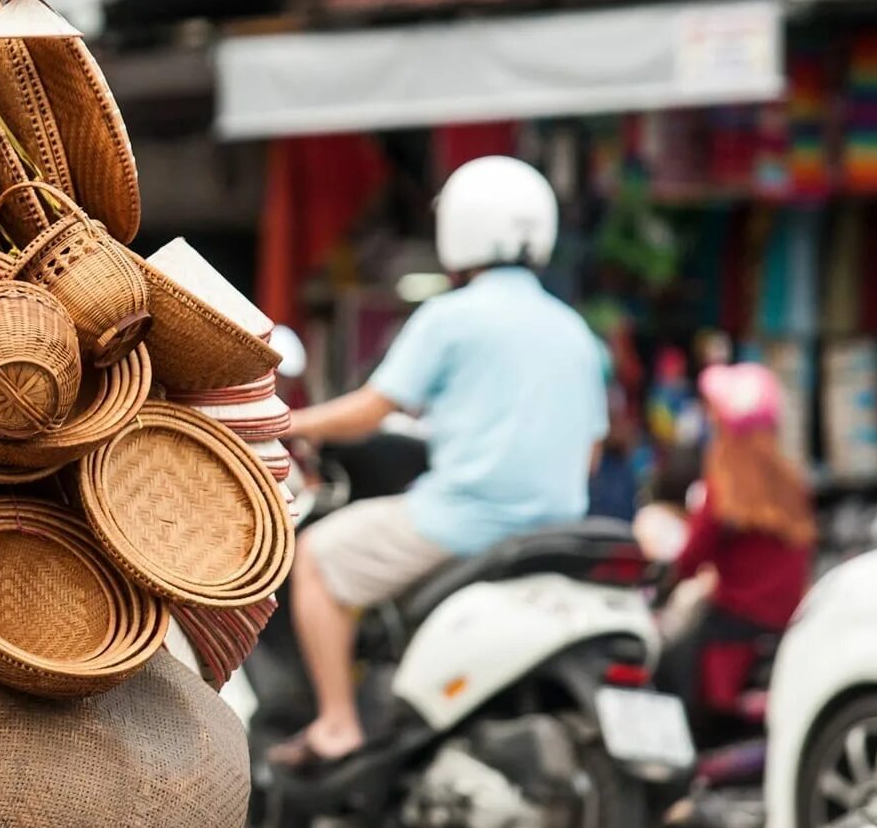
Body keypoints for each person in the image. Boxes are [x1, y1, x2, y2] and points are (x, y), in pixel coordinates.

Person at [275, 156, 609, 767]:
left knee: (315, 558)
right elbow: (589, 454)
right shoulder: (575, 332)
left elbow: (369, 413)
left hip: (465, 521)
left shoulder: (450, 317)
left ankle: (337, 724)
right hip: (557, 529)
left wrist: (290, 423)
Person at [655, 363, 813, 741]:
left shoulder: (724, 488)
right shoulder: (793, 483)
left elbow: (689, 559)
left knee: (665, 663)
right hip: (783, 624)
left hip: (731, 631)